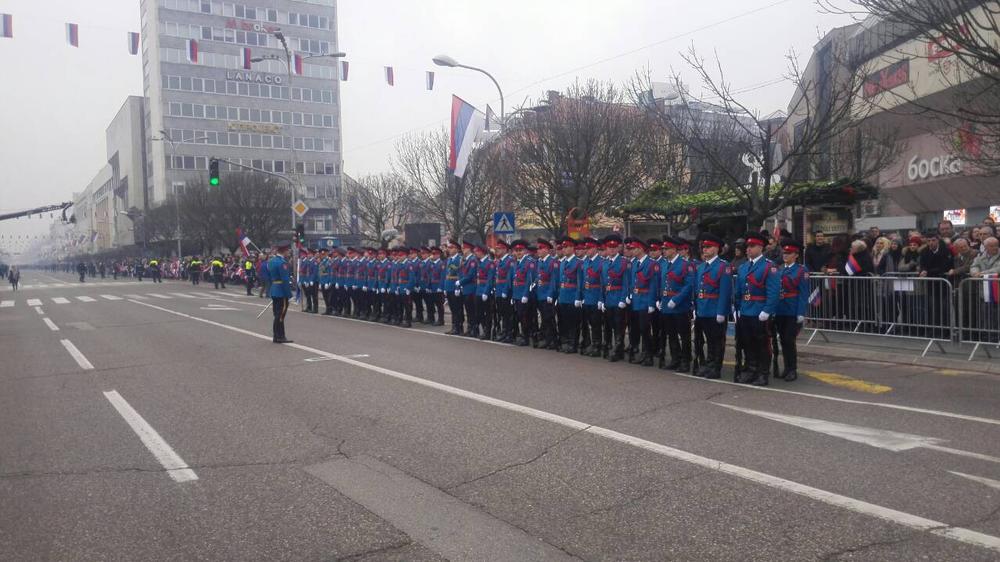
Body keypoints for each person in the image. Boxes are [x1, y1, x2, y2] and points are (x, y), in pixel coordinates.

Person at [734, 232, 780, 386]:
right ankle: (751, 369)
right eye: (747, 246)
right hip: (746, 310)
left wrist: (767, 311)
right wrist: (738, 308)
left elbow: (773, 292)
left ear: (761, 247)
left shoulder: (769, 266)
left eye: (752, 246)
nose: (748, 249)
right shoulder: (743, 267)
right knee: (747, 342)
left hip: (760, 311)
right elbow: (739, 291)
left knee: (762, 344)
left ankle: (763, 372)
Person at [693, 234, 731, 379]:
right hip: (703, 308)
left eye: (708, 247)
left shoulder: (723, 266)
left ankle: (716, 367)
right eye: (704, 247)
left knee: (717, 340)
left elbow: (725, 291)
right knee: (708, 339)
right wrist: (696, 308)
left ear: (716, 249)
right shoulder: (701, 266)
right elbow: (698, 290)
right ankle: (709, 365)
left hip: (715, 309)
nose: (705, 250)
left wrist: (721, 311)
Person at [658, 236, 695, 373]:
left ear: (674, 249)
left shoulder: (685, 265)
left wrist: (676, 299)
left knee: (684, 335)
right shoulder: (664, 264)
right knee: (671, 334)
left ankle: (685, 361)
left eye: (666, 249)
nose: (664, 251)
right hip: (667, 304)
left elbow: (688, 285)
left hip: (679, 306)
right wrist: (660, 299)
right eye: (663, 249)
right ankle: (675, 359)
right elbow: (662, 284)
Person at [774, 240, 809, 382]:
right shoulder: (780, 269)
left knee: (789, 340)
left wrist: (801, 312)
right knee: (783, 340)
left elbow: (803, 293)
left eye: (789, 253)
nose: (785, 255)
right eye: (784, 253)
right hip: (780, 309)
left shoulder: (801, 270)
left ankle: (792, 369)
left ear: (796, 255)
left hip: (792, 309)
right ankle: (786, 368)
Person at [556, 237, 583, 353]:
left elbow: (579, 282)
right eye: (563, 247)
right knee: (564, 321)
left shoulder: (578, 263)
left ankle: (573, 344)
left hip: (572, 297)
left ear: (572, 248)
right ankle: (566, 342)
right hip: (563, 296)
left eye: (566, 247)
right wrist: (558, 296)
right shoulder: (562, 263)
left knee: (573, 322)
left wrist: (578, 297)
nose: (564, 249)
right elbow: (560, 281)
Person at [534, 239, 560, 350]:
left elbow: (554, 280)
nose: (538, 251)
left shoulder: (552, 262)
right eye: (538, 248)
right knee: (544, 318)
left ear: (547, 250)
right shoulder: (539, 262)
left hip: (548, 295)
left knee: (549, 319)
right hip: (540, 293)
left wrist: (550, 294)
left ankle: (553, 340)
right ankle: (547, 338)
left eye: (540, 248)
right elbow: (538, 277)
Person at [510, 239, 537, 346]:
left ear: (525, 251)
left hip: (525, 295)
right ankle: (526, 335)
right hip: (517, 294)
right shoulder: (517, 262)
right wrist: (513, 296)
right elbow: (514, 280)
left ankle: (528, 337)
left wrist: (525, 295)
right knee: (521, 316)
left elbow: (529, 281)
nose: (518, 252)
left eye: (520, 250)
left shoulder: (529, 262)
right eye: (516, 251)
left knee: (526, 316)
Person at [268, 243, 293, 344]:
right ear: (284, 251)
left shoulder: (272, 261)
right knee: (281, 315)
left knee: (277, 314)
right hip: (281, 291)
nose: (288, 253)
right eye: (288, 251)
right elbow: (285, 279)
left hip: (274, 289)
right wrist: (289, 294)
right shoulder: (282, 263)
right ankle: (279, 336)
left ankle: (278, 335)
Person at [445, 240, 464, 335]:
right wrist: (445, 288)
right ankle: (454, 326)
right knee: (452, 308)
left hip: (455, 287)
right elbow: (447, 274)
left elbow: (460, 275)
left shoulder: (459, 259)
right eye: (449, 248)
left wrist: (458, 288)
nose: (449, 249)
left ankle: (459, 327)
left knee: (457, 308)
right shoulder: (449, 259)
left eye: (451, 248)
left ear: (457, 249)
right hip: (449, 286)